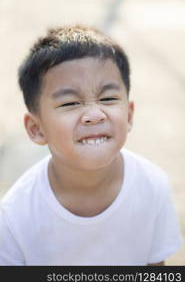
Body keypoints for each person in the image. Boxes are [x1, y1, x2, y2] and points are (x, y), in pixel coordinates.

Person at [0, 25, 182, 266]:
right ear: (36, 128)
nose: (95, 114)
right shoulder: (15, 217)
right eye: (70, 103)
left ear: (128, 116)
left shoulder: (152, 185)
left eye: (108, 98)